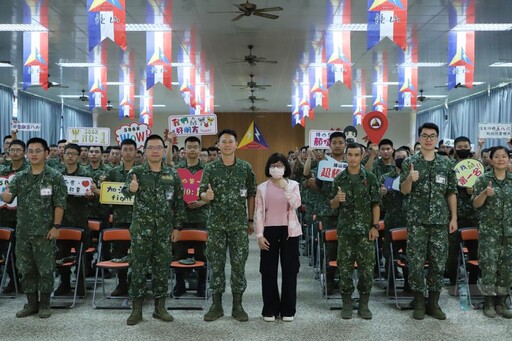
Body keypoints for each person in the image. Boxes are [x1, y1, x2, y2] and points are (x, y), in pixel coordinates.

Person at [122, 134, 185, 326]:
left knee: (161, 269)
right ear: (145, 150)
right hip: (142, 230)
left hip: (164, 231)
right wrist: (131, 189)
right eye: (151, 148)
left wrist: (177, 227)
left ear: (164, 150)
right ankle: (136, 309)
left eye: (159, 147)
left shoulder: (172, 174)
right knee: (138, 268)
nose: (155, 151)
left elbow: (179, 203)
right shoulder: (137, 172)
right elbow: (124, 192)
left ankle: (160, 308)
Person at [1, 137, 67, 319]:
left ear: (46, 153)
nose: (34, 154)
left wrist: (56, 226)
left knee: (45, 269)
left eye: (38, 151)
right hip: (23, 231)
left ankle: (45, 303)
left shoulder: (54, 176)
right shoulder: (20, 177)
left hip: (45, 232)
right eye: (31, 151)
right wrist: (5, 194)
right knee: (25, 268)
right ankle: (31, 303)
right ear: (26, 154)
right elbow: (8, 198)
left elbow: (60, 204)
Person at [400, 122, 458, 320]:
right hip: (417, 221)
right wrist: (409, 179)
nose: (428, 139)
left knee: (438, 263)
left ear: (437, 139)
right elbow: (403, 190)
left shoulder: (446, 163)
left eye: (432, 136)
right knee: (415, 262)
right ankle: (418, 301)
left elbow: (451, 192)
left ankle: (433, 302)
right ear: (419, 138)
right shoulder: (410, 162)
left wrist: (454, 217)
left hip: (440, 221)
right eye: (424, 136)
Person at [199, 129, 256, 322]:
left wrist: (250, 220)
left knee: (238, 265)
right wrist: (206, 196)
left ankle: (237, 305)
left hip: (239, 225)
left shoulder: (245, 168)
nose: (227, 145)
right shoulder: (210, 168)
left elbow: (251, 194)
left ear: (236, 144)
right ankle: (216, 305)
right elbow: (201, 192)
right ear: (218, 145)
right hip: (216, 224)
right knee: (216, 264)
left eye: (230, 141)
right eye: (223, 142)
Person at [329, 143, 380, 320]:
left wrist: (375, 226)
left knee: (367, 269)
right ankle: (347, 304)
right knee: (345, 269)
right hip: (345, 232)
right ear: (345, 156)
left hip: (366, 232)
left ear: (362, 156)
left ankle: (364, 304)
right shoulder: (339, 179)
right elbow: (332, 205)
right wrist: (337, 199)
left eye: (356, 155)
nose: (352, 158)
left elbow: (375, 203)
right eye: (349, 155)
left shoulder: (370, 178)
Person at [255, 153, 301, 322]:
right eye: (273, 165)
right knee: (268, 270)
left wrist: (285, 188)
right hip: (268, 231)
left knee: (290, 270)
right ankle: (270, 309)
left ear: (285, 168)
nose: (276, 168)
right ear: (268, 168)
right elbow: (259, 211)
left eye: (280, 165)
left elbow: (297, 204)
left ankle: (288, 309)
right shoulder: (262, 187)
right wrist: (259, 235)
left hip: (290, 232)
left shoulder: (293, 185)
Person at [472, 146, 512, 319]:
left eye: (504, 156)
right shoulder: (483, 180)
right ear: (491, 159)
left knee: (506, 269)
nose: (501, 159)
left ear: (509, 159)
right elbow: (475, 204)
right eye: (497, 156)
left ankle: (501, 303)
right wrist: (484, 194)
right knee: (489, 267)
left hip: (509, 232)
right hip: (490, 232)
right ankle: (488, 302)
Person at [167, 135, 208, 298]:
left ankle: (201, 285)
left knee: (201, 255)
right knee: (178, 254)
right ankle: (179, 284)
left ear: (199, 149)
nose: (192, 149)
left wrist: (202, 203)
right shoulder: (177, 168)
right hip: (180, 219)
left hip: (200, 218)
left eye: (195, 147)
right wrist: (170, 143)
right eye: (189, 147)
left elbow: (214, 193)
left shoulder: (207, 169)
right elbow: (167, 162)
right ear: (184, 150)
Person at [54, 143, 94, 297]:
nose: (70, 156)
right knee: (61, 256)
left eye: (73, 154)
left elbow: (94, 195)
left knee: (81, 256)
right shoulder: (56, 174)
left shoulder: (86, 174)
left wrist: (91, 195)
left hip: (79, 221)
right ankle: (64, 284)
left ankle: (80, 284)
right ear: (63, 155)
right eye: (67, 153)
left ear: (78, 156)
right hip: (61, 221)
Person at [104, 139, 138, 297]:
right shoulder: (113, 172)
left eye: (131, 149)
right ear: (121, 152)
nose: (128, 152)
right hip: (119, 218)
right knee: (119, 253)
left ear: (136, 152)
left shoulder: (142, 171)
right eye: (125, 149)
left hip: (139, 219)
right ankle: (122, 283)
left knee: (139, 253)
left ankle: (137, 283)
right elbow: (108, 195)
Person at [446, 136, 479, 294]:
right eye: (460, 146)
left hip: (473, 216)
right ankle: (453, 283)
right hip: (454, 216)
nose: (463, 148)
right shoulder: (449, 166)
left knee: (475, 252)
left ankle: (473, 284)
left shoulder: (475, 166)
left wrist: (473, 191)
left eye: (466, 146)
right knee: (453, 253)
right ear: (455, 148)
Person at [379, 147, 410, 292]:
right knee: (390, 253)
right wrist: (382, 194)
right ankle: (390, 284)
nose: (401, 159)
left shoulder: (413, 177)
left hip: (410, 220)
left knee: (409, 254)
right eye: (398, 156)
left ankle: (409, 285)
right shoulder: (386, 177)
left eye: (404, 157)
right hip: (391, 220)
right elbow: (379, 202)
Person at [0, 139, 29, 293]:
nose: (15, 152)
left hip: (24, 218)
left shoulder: (30, 171)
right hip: (4, 217)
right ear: (8, 152)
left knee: (23, 253)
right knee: (8, 251)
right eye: (13, 150)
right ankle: (13, 280)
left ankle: (25, 281)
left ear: (24, 153)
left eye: (19, 150)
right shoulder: (3, 172)